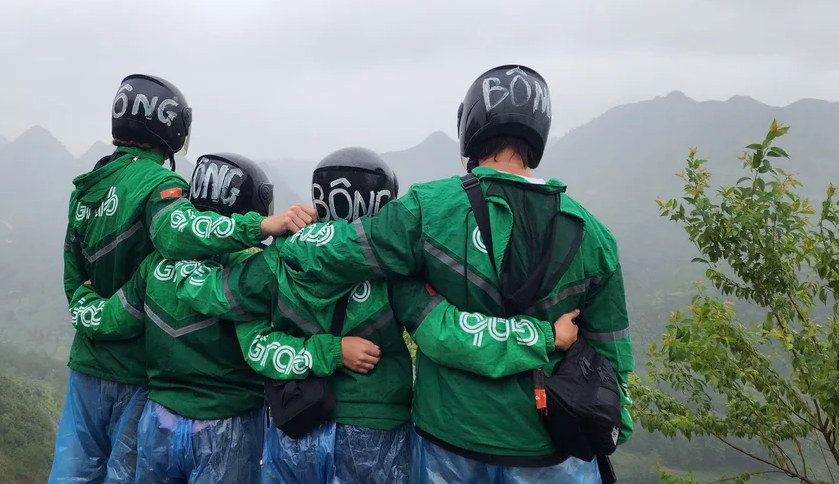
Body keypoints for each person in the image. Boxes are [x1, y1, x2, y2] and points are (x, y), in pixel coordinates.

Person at [277, 65, 635, 484]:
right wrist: (610, 426)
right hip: (551, 445)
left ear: (471, 125)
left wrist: (291, 231)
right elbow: (612, 357)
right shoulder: (593, 235)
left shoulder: (429, 208)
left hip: (449, 441)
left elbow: (330, 255)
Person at [171, 147, 584, 484]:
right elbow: (447, 335)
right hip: (376, 431)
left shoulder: (281, 258)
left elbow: (214, 296)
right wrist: (543, 336)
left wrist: (170, 259)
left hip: (294, 428)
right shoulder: (396, 272)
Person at [48, 74, 316, 484]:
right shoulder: (160, 184)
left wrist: (85, 311)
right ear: (169, 126)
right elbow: (177, 233)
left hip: (88, 361)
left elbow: (74, 277)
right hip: (138, 372)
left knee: (73, 468)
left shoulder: (85, 189)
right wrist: (260, 226)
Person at [67, 152, 281, 483]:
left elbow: (113, 319)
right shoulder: (253, 269)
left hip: (160, 423)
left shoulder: (156, 265)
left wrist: (82, 298)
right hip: (228, 424)